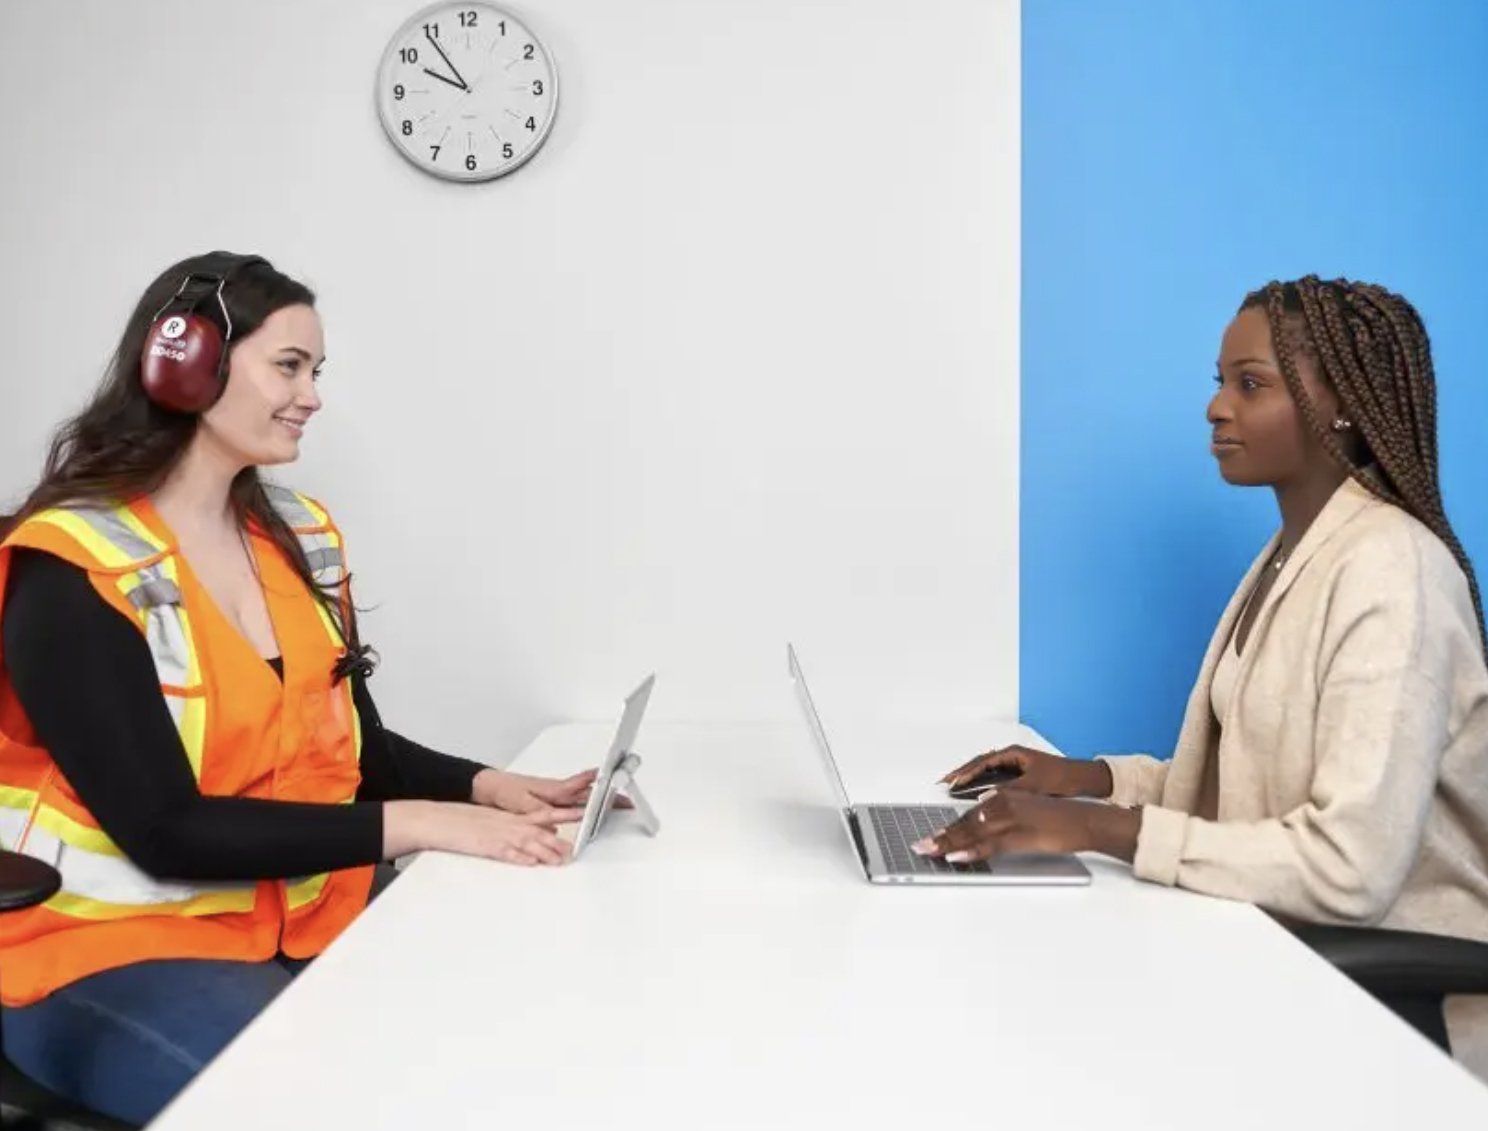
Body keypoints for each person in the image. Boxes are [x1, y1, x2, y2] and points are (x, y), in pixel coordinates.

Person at [0, 251, 601, 1124]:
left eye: (315, 371)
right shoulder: (75, 565)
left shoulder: (298, 538)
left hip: (294, 926)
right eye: (289, 365)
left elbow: (350, 744)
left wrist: (488, 786)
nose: (312, 394)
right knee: (313, 1104)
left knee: (506, 1033)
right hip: (103, 951)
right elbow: (165, 829)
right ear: (185, 361)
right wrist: (426, 825)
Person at [917, 276, 1488, 1079]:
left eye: (1250, 384)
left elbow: (1349, 867)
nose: (1217, 407)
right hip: (1287, 954)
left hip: (1395, 1008)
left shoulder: (1395, 571)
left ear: (1346, 406)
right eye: (1219, 382)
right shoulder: (1293, 554)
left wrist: (1095, 830)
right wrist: (1084, 781)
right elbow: (1248, 796)